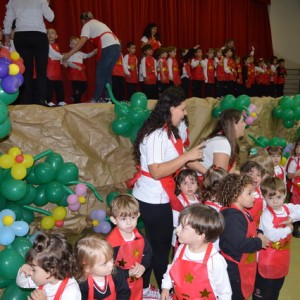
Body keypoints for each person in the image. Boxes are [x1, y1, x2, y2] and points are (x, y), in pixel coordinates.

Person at [131, 86, 205, 291]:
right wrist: (187, 157)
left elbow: (184, 157)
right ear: (171, 109)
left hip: (160, 195)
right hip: (151, 198)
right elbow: (156, 171)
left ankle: (149, 286)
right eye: (182, 108)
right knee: (159, 246)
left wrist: (208, 173)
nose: (185, 112)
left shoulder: (169, 131)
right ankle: (160, 288)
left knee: (157, 244)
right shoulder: (156, 134)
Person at [161, 204, 232, 300]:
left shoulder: (215, 260)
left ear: (200, 236)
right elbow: (172, 269)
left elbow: (225, 293)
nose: (177, 230)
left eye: (183, 227)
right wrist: (166, 287)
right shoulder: (182, 248)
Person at [218, 174, 269, 300]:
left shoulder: (242, 211)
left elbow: (249, 227)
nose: (254, 197)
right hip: (234, 269)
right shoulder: (232, 216)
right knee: (237, 295)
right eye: (249, 193)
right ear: (236, 195)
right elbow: (240, 243)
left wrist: (259, 232)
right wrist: (258, 242)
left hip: (243, 263)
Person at [253, 177, 300, 300]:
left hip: (283, 257)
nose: (275, 201)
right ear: (264, 197)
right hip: (268, 258)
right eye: (270, 198)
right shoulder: (266, 214)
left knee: (276, 288)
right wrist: (288, 229)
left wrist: (291, 217)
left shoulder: (287, 208)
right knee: (263, 291)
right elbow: (271, 235)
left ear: (285, 195)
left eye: (278, 197)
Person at [62, 11, 121, 103]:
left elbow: (81, 42)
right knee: (107, 73)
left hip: (108, 47)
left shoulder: (87, 25)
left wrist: (68, 55)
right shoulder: (98, 23)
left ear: (82, 20)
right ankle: (108, 98)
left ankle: (96, 98)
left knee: (100, 73)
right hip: (116, 46)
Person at [3, 0, 54, 105]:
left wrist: (7, 36)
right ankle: (41, 100)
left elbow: (8, 19)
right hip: (38, 35)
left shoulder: (14, 1)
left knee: (26, 70)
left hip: (21, 36)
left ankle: (26, 101)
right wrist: (46, 3)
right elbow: (51, 17)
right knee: (41, 70)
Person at [106, 194, 154, 300]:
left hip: (136, 283)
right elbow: (107, 267)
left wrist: (143, 266)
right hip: (119, 286)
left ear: (138, 215)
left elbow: (148, 252)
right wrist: (126, 273)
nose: (129, 223)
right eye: (123, 219)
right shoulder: (111, 243)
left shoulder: (139, 235)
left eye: (133, 217)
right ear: (114, 220)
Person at [16, 232, 81, 300]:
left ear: (51, 270)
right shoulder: (43, 278)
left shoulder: (71, 292)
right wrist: (23, 273)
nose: (30, 272)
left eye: (34, 270)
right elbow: (22, 284)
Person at [75, 234, 131, 299]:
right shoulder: (81, 284)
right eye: (104, 263)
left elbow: (124, 292)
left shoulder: (117, 273)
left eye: (111, 258)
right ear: (88, 268)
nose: (111, 264)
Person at [200, 109, 246, 174]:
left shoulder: (228, 142)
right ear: (234, 125)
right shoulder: (222, 143)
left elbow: (230, 173)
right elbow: (220, 179)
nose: (245, 124)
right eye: (242, 121)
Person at [172, 169, 201, 247]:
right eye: (185, 183)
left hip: (194, 235)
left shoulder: (198, 198)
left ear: (197, 184)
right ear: (178, 186)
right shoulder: (178, 201)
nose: (189, 186)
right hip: (181, 236)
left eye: (192, 183)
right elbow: (175, 221)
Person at [65, 36, 97, 104]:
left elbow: (87, 55)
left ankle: (75, 97)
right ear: (70, 45)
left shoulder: (80, 53)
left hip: (81, 72)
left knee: (84, 86)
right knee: (76, 87)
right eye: (73, 44)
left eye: (77, 44)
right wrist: (76, 66)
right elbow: (68, 62)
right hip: (74, 73)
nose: (76, 46)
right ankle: (76, 101)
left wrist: (93, 52)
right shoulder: (70, 53)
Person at [240, 160, 265, 226]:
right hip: (246, 225)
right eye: (250, 174)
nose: (254, 177)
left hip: (257, 224)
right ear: (242, 176)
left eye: (258, 175)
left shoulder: (259, 191)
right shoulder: (241, 193)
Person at [46, 28, 66, 107]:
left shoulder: (57, 45)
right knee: (49, 87)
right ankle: (48, 100)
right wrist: (64, 57)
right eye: (48, 33)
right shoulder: (46, 45)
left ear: (56, 36)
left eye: (52, 33)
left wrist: (62, 61)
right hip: (49, 70)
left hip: (57, 70)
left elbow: (58, 56)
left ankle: (61, 100)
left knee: (59, 86)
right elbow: (55, 55)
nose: (50, 34)